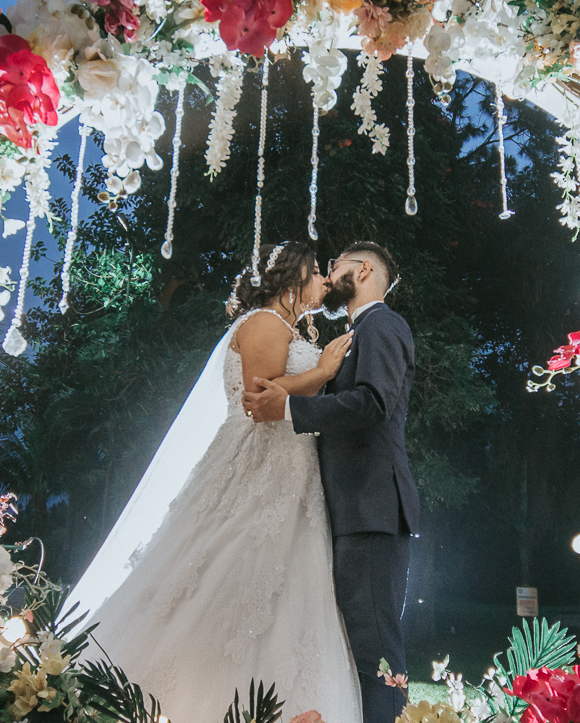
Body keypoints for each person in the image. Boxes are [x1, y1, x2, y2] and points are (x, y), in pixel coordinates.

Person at [70, 242, 363, 722]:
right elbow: (259, 400)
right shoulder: (266, 323)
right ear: (293, 282)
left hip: (292, 471)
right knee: (232, 569)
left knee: (282, 586)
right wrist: (324, 370)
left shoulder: (283, 325)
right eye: (316, 275)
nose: (323, 284)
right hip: (262, 466)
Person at [243, 241, 419, 723]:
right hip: (357, 507)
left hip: (372, 506)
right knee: (362, 644)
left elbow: (372, 404)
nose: (327, 276)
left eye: (335, 266)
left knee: (376, 649)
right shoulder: (355, 332)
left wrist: (290, 407)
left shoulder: (381, 325)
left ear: (363, 270)